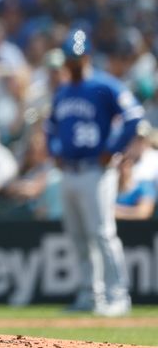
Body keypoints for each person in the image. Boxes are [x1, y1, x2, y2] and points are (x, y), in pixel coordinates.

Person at [46, 29, 143, 317]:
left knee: (102, 234)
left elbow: (134, 116)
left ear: (86, 56)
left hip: (95, 170)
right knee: (77, 236)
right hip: (70, 171)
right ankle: (90, 295)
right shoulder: (63, 91)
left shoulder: (104, 84)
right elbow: (50, 127)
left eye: (76, 58)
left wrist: (112, 148)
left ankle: (118, 296)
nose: (72, 63)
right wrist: (55, 151)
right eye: (68, 59)